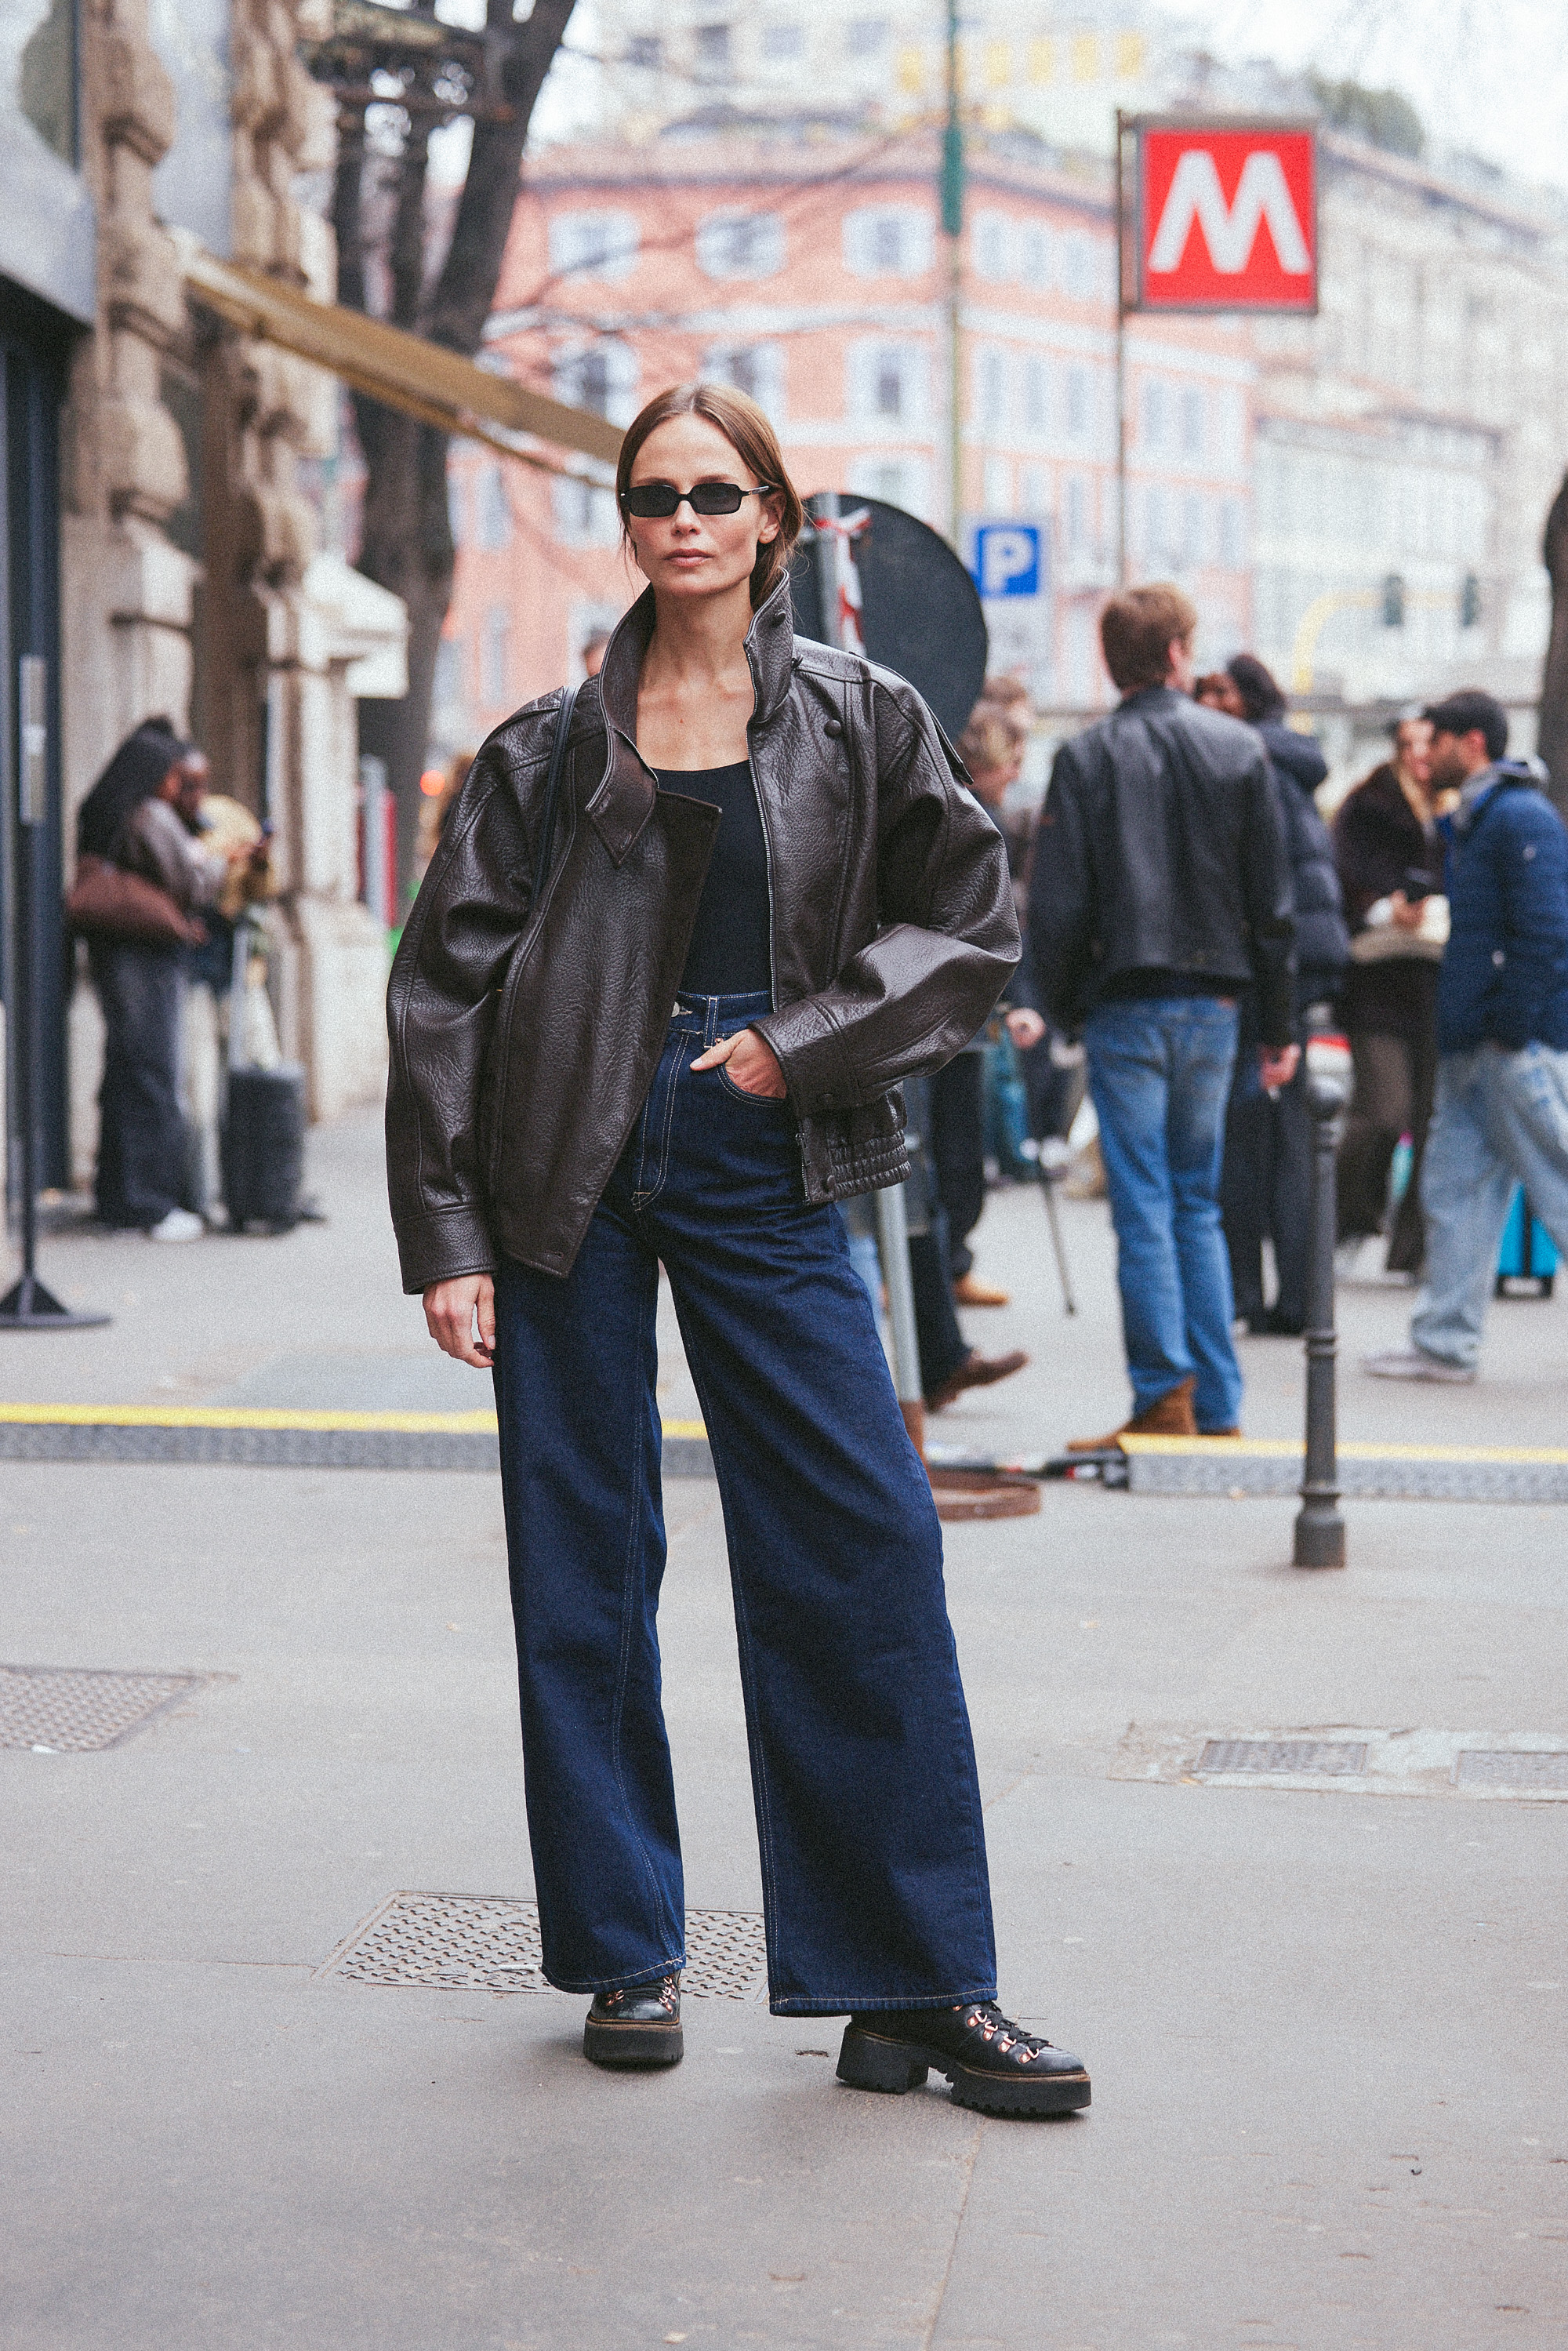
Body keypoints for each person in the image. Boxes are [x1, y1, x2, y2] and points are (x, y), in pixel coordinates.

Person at [387, 381, 1090, 2117]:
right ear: (628, 522)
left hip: (762, 1141)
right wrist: (447, 1231)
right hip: (561, 1153)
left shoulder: (860, 714)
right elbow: (443, 988)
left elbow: (971, 920)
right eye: (654, 496)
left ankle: (909, 1982)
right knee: (582, 1556)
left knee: (863, 1542)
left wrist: (807, 1041)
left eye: (715, 492)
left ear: (772, 512)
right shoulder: (550, 744)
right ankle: (627, 1945)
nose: (684, 521)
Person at [1026, 584, 1296, 1447]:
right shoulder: (1238, 748)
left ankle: (1161, 1393)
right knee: (1195, 1203)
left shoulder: (1085, 756)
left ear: (1112, 661)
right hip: (1216, 1001)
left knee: (1142, 1204)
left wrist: (1059, 1005)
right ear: (1178, 653)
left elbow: (1058, 903)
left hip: (1124, 1000)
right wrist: (1280, 1025)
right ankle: (1217, 1402)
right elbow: (1272, 905)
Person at [1366, 691, 1568, 1383]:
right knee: (1454, 1192)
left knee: (1558, 1183)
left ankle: (1445, 1341)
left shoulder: (1518, 818)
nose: (1424, 755)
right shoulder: (1480, 818)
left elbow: (1547, 931)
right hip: (1475, 1044)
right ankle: (1444, 1343)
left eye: (1437, 741)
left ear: (1473, 741)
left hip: (1514, 1047)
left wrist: (1510, 1028)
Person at [1218, 654, 1349, 1335]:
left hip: (1260, 970)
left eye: (1217, 693)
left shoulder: (1244, 761)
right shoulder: (1292, 761)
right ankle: (1299, 1296)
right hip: (1302, 968)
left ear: (1243, 700)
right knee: (1294, 1137)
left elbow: (1260, 887)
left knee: (1246, 1138)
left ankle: (1247, 1293)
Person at [74, 720, 229, 1240]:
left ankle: (118, 1197)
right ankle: (149, 1205)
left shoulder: (111, 812)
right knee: (153, 1075)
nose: (178, 785)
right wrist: (219, 860)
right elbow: (190, 882)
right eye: (174, 775)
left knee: (126, 1072)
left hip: (118, 952)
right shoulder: (151, 814)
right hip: (147, 957)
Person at [931, 690, 1047, 1309]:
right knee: (955, 1150)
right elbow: (999, 927)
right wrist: (1020, 998)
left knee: (954, 1147)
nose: (1017, 774)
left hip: (948, 1005)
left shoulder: (959, 813)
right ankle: (943, 1265)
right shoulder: (979, 822)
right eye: (1011, 761)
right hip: (956, 1009)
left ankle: (947, 1265)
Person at [1333, 714, 1445, 1276]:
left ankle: (1412, 1249)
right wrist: (1385, 908)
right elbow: (1341, 880)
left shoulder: (1455, 809)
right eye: (1411, 745)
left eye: (1430, 745)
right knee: (1383, 1110)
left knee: (1433, 1121)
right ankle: (1349, 1220)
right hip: (1377, 984)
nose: (1421, 757)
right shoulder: (1367, 806)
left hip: (1438, 983)